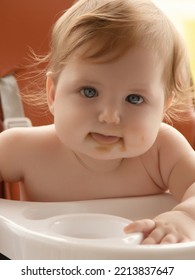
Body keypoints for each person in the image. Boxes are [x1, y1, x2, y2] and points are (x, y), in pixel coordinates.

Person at [0, 0, 195, 245]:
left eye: (134, 99)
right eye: (89, 92)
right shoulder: (21, 150)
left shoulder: (163, 151)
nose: (110, 116)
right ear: (53, 94)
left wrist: (186, 216)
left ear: (163, 108)